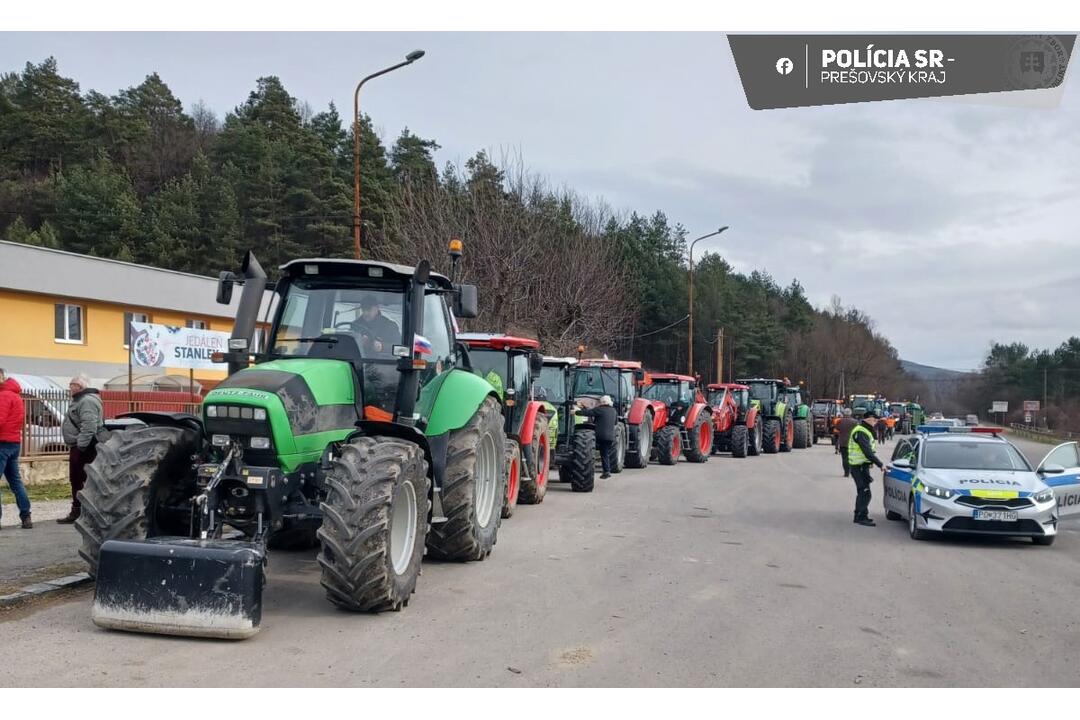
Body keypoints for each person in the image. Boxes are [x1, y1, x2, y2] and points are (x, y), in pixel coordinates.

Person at [58, 373, 103, 524]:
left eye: (72, 385)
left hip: (84, 447)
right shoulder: (82, 400)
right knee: (77, 479)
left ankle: (82, 512)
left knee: (81, 480)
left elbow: (89, 426)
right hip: (80, 446)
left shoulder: (87, 401)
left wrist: (81, 446)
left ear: (79, 386)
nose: (70, 388)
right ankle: (79, 511)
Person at [0, 370, 32, 529]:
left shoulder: (3, 396)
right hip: (14, 443)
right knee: (15, 482)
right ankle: (26, 517)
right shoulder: (16, 395)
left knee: (15, 481)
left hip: (2, 443)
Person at [847, 409, 885, 527]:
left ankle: (863, 515)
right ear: (868, 419)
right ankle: (859, 517)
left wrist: (871, 462)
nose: (876, 422)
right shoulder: (861, 431)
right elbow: (867, 451)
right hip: (858, 466)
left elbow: (868, 451)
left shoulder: (864, 430)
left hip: (861, 465)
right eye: (875, 420)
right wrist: (880, 464)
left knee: (864, 491)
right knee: (864, 492)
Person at [576, 394, 618, 479]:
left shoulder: (600, 409)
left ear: (602, 402)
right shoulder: (614, 411)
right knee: (605, 453)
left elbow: (588, 413)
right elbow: (615, 422)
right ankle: (607, 471)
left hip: (600, 436)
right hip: (611, 437)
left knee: (589, 451)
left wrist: (576, 412)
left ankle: (589, 469)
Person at [835, 408, 856, 477]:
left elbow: (837, 428)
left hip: (843, 442)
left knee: (844, 458)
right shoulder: (854, 422)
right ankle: (851, 471)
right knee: (851, 458)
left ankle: (846, 472)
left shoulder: (840, 421)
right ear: (850, 413)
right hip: (852, 443)